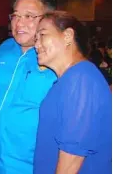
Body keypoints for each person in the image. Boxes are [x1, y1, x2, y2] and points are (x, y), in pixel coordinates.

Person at [0, 0, 58, 174]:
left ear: (48, 19)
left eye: (29, 16)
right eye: (15, 15)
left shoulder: (55, 59)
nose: (19, 23)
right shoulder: (5, 48)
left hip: (30, 165)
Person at [34, 11, 112, 173]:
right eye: (36, 38)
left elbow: (73, 153)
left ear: (68, 35)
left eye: (42, 35)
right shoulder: (69, 79)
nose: (36, 45)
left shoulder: (81, 78)